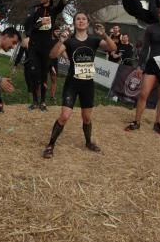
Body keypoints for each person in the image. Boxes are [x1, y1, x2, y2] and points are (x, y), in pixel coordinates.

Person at [42, 14, 116, 158]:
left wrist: (105, 35)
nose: (81, 21)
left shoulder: (94, 40)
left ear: (88, 23)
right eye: (78, 19)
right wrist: (60, 41)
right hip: (72, 83)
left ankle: (88, 142)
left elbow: (112, 47)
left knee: (87, 118)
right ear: (74, 23)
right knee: (64, 116)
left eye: (84, 19)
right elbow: (52, 55)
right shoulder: (69, 42)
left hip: (87, 84)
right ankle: (50, 145)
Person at [125, 3, 160, 135]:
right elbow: (145, 49)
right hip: (152, 63)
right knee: (144, 93)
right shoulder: (151, 28)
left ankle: (158, 123)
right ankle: (136, 122)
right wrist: (140, 65)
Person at [24, 0, 66, 111]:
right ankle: (35, 101)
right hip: (34, 46)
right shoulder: (36, 10)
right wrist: (39, 24)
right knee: (34, 72)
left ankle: (43, 102)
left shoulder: (53, 11)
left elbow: (62, 3)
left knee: (43, 74)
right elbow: (28, 29)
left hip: (46, 47)